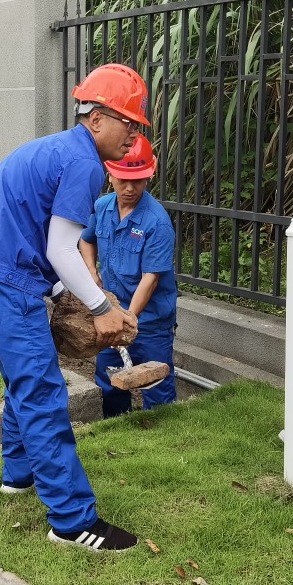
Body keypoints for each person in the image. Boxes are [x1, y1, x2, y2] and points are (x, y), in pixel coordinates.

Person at [0, 63, 146, 553]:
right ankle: (72, 522)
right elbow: (62, 249)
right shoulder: (83, 162)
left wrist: (72, 292)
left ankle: (17, 475)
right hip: (1, 285)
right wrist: (101, 307)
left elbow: (43, 237)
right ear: (97, 118)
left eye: (138, 124)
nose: (135, 133)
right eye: (129, 121)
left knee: (25, 381)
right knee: (42, 392)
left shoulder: (61, 148)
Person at [81, 136, 178, 416]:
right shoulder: (102, 207)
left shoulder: (157, 222)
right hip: (110, 313)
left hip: (150, 323)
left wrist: (129, 318)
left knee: (156, 386)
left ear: (149, 175)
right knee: (109, 381)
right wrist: (91, 270)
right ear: (110, 174)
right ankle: (117, 425)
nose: (129, 188)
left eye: (138, 180)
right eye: (123, 179)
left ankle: (161, 432)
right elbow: (86, 239)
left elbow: (151, 279)